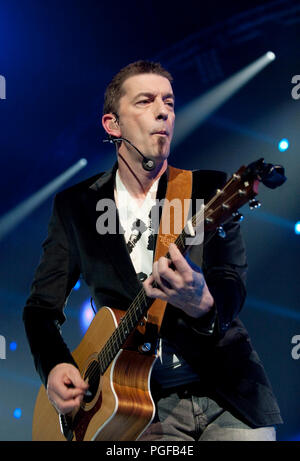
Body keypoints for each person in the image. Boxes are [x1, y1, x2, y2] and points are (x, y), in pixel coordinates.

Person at [23, 60, 282, 441]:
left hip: (228, 390)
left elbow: (231, 278)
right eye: (145, 101)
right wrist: (56, 366)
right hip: (138, 410)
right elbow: (40, 310)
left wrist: (203, 303)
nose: (163, 111)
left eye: (170, 102)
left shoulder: (208, 189)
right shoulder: (75, 206)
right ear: (113, 125)